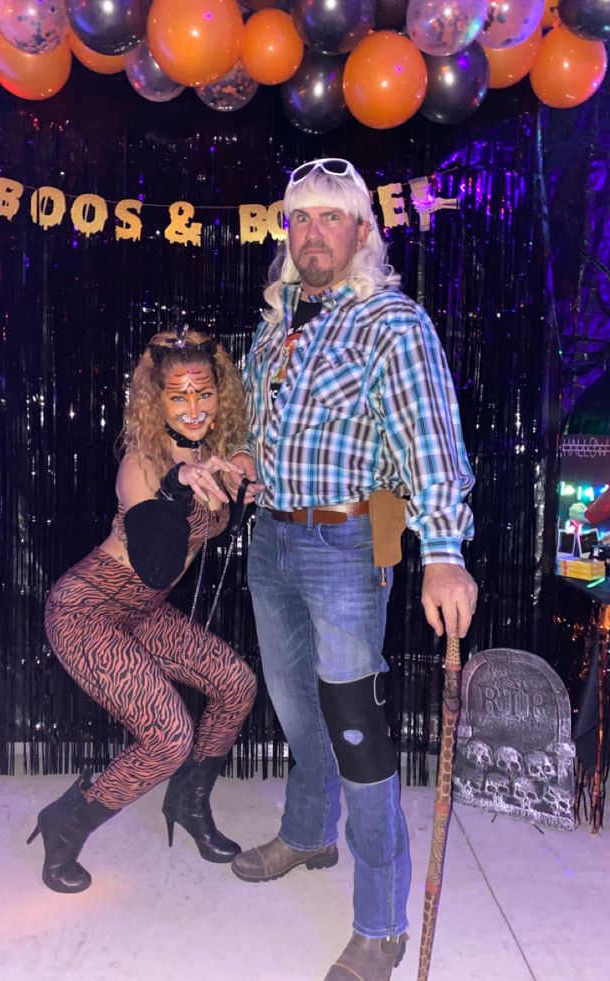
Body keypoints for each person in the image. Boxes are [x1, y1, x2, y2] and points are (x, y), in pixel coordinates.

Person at [223, 158, 478, 981]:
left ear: (362, 232)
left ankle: (382, 922)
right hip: (273, 536)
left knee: (357, 733)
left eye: (331, 217)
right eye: (299, 219)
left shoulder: (391, 323)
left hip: (355, 539)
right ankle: (307, 833)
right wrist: (243, 462)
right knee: (298, 711)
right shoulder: (275, 323)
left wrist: (441, 553)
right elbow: (267, 427)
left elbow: (430, 447)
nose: (313, 233)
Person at [29, 329, 257, 894]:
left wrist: (242, 478)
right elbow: (157, 562)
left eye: (203, 394)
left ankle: (187, 803)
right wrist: (180, 487)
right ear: (156, 402)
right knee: (167, 736)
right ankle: (66, 821)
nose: (194, 408)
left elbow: (227, 505)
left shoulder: (214, 457)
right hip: (87, 612)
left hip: (143, 613)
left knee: (236, 683)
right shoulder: (141, 464)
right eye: (178, 397)